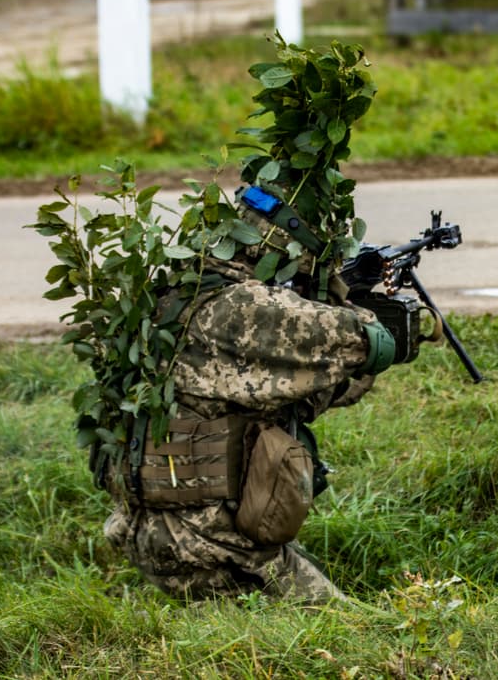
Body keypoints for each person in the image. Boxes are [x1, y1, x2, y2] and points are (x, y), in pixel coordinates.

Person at [99, 189, 397, 603]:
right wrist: (405, 319)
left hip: (144, 525)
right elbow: (366, 343)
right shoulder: (242, 307)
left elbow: (295, 392)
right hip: (205, 543)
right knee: (349, 638)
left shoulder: (171, 292)